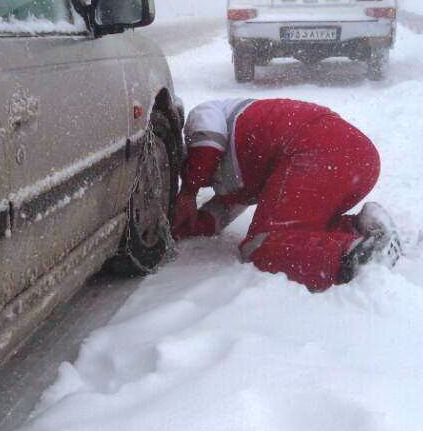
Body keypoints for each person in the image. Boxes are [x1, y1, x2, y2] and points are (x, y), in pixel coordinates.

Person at [171, 98, 401, 291]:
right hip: (357, 158)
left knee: (263, 247)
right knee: (300, 232)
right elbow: (220, 212)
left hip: (317, 149)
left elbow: (208, 145)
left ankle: (358, 258)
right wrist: (182, 226)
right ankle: (362, 228)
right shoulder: (240, 169)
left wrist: (188, 192)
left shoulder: (203, 116)